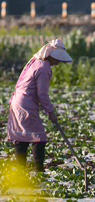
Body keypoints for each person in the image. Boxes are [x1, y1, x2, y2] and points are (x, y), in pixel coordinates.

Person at [7, 39, 73, 172]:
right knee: (39, 138)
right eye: (58, 59)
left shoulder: (36, 62)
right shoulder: (44, 68)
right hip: (25, 103)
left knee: (22, 137)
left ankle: (21, 173)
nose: (59, 63)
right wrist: (51, 112)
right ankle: (39, 171)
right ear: (51, 56)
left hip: (18, 101)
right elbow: (42, 94)